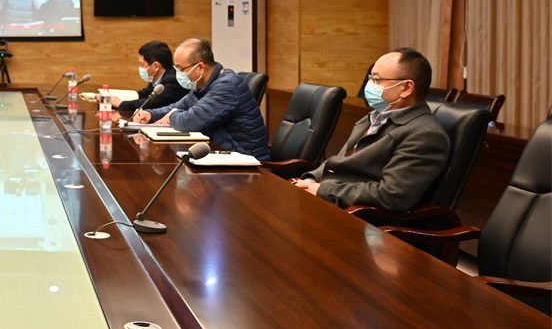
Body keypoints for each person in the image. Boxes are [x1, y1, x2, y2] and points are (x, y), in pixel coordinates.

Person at [294, 48, 450, 210]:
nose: (369, 85)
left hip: (358, 217)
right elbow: (340, 161)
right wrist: (310, 180)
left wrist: (323, 191)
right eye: (370, 78)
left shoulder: (425, 135)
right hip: (329, 200)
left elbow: (391, 195)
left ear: (406, 88)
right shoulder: (375, 117)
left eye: (376, 79)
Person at [133, 38, 270, 162]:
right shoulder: (203, 85)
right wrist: (150, 114)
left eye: (181, 69)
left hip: (246, 164)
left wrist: (172, 116)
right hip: (222, 156)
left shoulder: (227, 86)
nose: (177, 74)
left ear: (200, 67)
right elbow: (177, 106)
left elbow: (190, 121)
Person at [116, 40, 189, 112]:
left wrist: (120, 103)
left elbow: (152, 103)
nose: (140, 68)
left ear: (155, 66)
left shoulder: (173, 80)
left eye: (142, 65)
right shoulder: (157, 77)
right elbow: (144, 94)